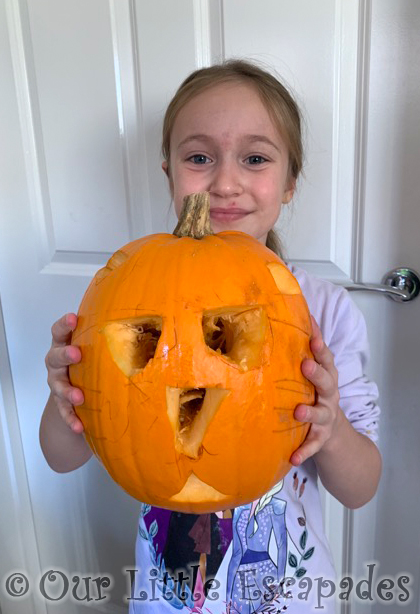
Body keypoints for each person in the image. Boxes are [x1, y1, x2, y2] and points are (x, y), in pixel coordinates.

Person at [40, 59, 381, 613]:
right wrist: (65, 400)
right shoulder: (121, 296)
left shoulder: (324, 311)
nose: (224, 181)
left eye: (255, 158)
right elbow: (60, 458)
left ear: (290, 181)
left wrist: (332, 426)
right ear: (171, 175)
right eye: (199, 157)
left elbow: (361, 489)